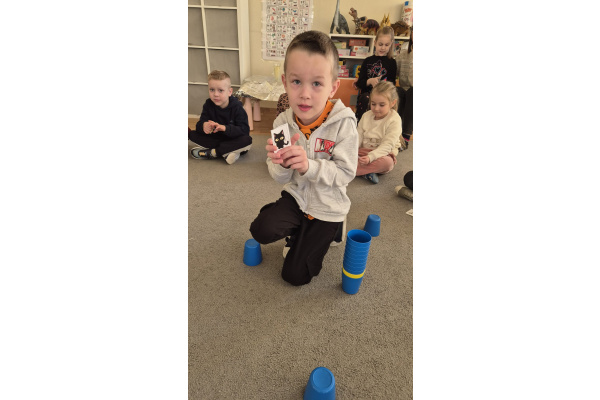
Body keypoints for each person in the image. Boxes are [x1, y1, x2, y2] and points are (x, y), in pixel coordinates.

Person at [249, 30, 358, 286]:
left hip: (328, 207)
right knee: (260, 230)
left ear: (333, 87)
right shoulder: (281, 124)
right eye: (297, 81)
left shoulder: (344, 124)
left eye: (317, 83)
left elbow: (345, 172)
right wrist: (281, 164)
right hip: (297, 197)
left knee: (295, 276)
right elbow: (279, 178)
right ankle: (298, 230)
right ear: (285, 82)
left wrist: (310, 166)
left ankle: (334, 229)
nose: (305, 94)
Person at [188, 70, 252, 164]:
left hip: (232, 139)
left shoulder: (237, 107)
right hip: (216, 139)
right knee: (192, 135)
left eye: (220, 90)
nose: (216, 94)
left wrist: (225, 128)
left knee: (247, 140)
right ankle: (228, 152)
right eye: (212, 90)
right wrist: (204, 126)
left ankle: (214, 153)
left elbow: (244, 130)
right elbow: (199, 126)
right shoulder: (208, 104)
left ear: (229, 92)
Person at [356, 81, 403, 184]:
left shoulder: (394, 119)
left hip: (383, 154)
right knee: (343, 151)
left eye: (382, 105)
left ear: (392, 103)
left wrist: (370, 157)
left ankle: (349, 169)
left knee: (387, 163)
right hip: (362, 152)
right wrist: (352, 151)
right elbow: (358, 136)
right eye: (373, 104)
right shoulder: (366, 116)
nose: (376, 108)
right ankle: (366, 171)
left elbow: (387, 146)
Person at [354, 26, 397, 122]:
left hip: (383, 95)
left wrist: (382, 86)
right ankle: (361, 125)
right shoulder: (367, 61)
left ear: (391, 44)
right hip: (367, 95)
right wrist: (370, 81)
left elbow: (392, 85)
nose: (383, 48)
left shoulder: (392, 62)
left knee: (384, 102)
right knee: (366, 99)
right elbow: (360, 83)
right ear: (375, 43)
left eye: (386, 45)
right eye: (380, 44)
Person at [396, 27, 413, 147]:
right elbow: (394, 69)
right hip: (403, 88)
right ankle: (395, 134)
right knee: (396, 92)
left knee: (412, 94)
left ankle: (405, 136)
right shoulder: (404, 51)